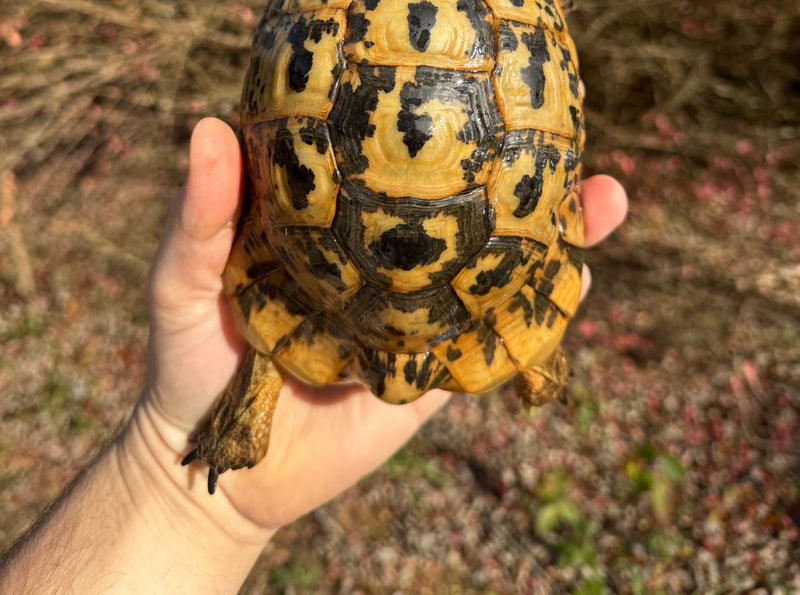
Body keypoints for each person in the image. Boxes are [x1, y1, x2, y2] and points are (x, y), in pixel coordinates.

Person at [0, 117, 627, 595]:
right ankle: (530, 350)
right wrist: (178, 500)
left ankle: (259, 396)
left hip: (321, 274)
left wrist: (177, 499)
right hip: (484, 284)